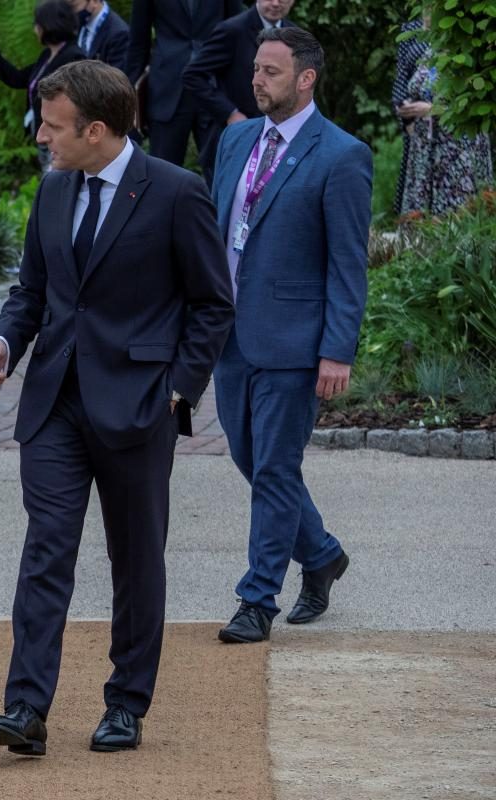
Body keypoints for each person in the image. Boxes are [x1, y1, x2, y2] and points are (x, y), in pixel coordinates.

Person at [0, 60, 234, 756]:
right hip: (53, 401)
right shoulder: (54, 190)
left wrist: (177, 390)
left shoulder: (177, 192)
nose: (41, 138)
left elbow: (212, 304)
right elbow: (32, 290)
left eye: (53, 127)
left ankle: (126, 704)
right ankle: (24, 708)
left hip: (139, 405)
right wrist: (4, 340)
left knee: (136, 560)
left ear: (96, 128)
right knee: (45, 551)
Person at [210, 27, 370, 644]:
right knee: (251, 460)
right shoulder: (235, 139)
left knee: (275, 467)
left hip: (294, 342)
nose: (257, 80)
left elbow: (347, 263)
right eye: (255, 69)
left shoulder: (342, 154)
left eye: (271, 71)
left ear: (306, 79)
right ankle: (323, 553)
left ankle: (257, 599)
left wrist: (337, 348)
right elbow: (217, 229)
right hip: (229, 337)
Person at [0, 1, 87, 171]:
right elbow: (18, 78)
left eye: (37, 24)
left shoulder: (74, 57)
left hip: (61, 139)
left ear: (49, 25)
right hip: (45, 135)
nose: (35, 29)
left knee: (56, 184)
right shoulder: (48, 55)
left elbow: (78, 103)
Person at [183, 0, 296, 186]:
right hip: (237, 138)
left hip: (278, 137)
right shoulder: (232, 30)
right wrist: (230, 112)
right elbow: (193, 75)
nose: (276, 3)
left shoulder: (295, 35)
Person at [392, 14, 493, 217]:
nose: (426, 14)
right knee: (423, 219)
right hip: (425, 146)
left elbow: (477, 103)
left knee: (458, 213)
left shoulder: (470, 50)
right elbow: (408, 86)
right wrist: (407, 114)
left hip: (458, 147)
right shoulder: (427, 51)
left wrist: (432, 110)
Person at [126, 0, 240, 166]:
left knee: (221, 168)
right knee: (162, 170)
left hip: (214, 86)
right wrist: (127, 90)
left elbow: (236, 30)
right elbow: (138, 41)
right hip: (166, 87)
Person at [74, 0, 131, 75]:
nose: (71, 11)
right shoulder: (79, 24)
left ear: (94, 1)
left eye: (74, 5)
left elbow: (115, 80)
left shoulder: (119, 34)